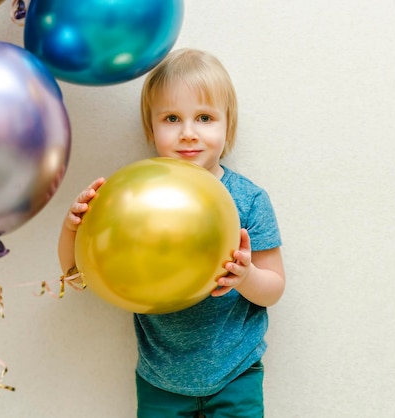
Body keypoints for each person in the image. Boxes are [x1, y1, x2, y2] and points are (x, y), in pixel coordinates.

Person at [57, 48, 285, 417]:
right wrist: (73, 228)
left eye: (205, 117)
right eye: (172, 118)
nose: (188, 133)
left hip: (236, 374)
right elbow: (78, 276)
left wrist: (247, 276)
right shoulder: (129, 199)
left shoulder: (249, 200)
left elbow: (273, 288)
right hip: (159, 378)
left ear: (229, 127)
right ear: (151, 128)